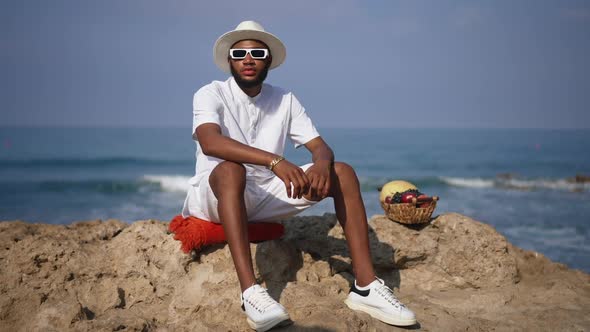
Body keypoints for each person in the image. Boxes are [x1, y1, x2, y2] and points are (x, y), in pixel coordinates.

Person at [182, 20, 416, 331]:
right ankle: (250, 292)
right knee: (230, 170)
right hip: (216, 196)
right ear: (230, 60)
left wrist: (321, 163)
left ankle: (366, 286)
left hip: (265, 195)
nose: (248, 58)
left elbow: (320, 147)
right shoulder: (210, 93)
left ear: (268, 60)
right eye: (240, 53)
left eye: (257, 52)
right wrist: (275, 161)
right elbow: (210, 141)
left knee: (342, 173)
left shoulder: (285, 99)